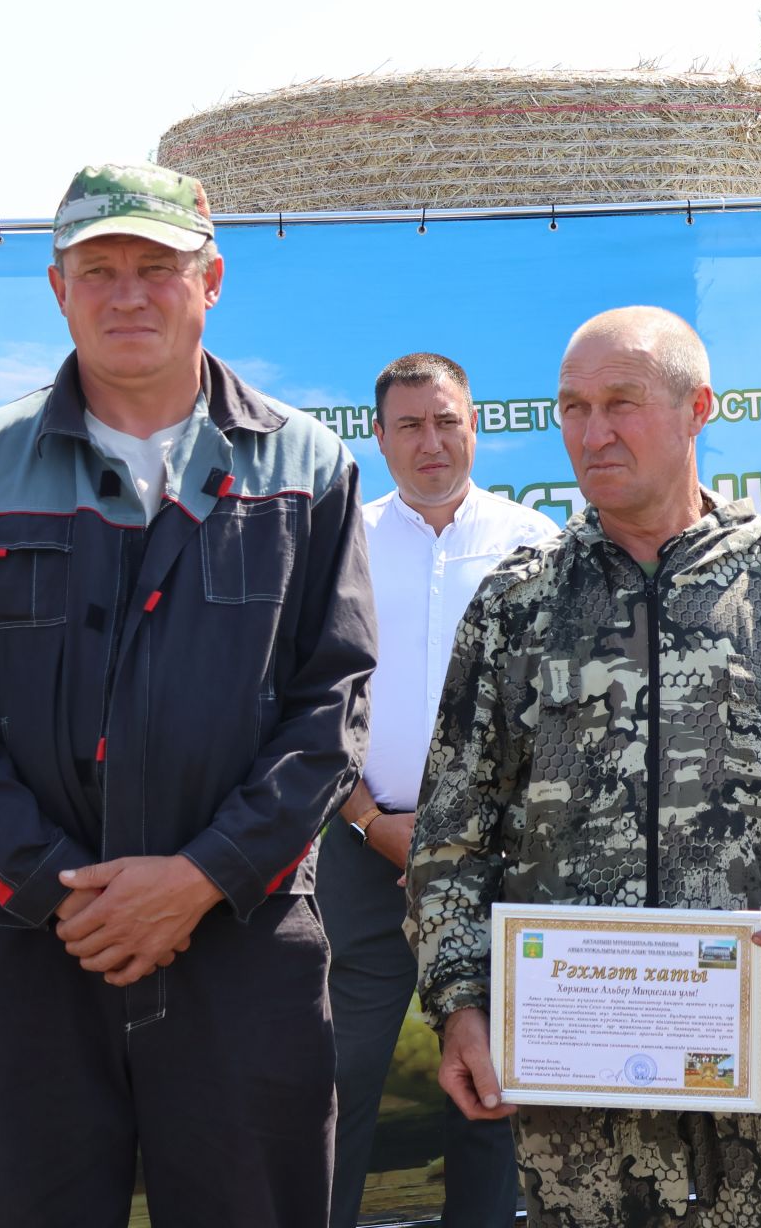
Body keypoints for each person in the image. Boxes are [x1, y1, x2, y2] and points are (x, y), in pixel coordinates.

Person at [0, 162, 376, 1227]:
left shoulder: (307, 464)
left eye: (157, 266)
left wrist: (201, 875)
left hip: (240, 943)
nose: (128, 293)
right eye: (97, 269)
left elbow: (330, 705)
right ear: (58, 288)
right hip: (26, 952)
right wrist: (67, 891)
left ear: (212, 280)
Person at [405, 305, 761, 1228]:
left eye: (622, 404)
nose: (592, 433)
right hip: (581, 1100)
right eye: (572, 408)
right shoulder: (517, 609)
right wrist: (461, 1003)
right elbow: (451, 836)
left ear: (698, 409)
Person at [319, 352, 557, 1228]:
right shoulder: (339, 541)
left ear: (476, 424)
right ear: (378, 437)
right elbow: (308, 696)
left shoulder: (537, 544)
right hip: (358, 847)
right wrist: (370, 820)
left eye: (447, 419)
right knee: (338, 1072)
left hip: (498, 861)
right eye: (410, 424)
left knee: (488, 1079)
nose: (431, 441)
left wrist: (473, 832)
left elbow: (559, 712)